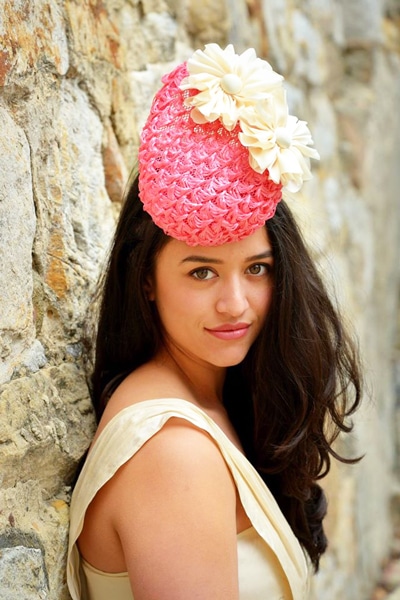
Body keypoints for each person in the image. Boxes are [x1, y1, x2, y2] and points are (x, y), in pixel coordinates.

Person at [66, 43, 362, 600]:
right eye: (201, 272)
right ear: (146, 279)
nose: (236, 304)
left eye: (257, 268)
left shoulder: (212, 399)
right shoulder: (172, 451)